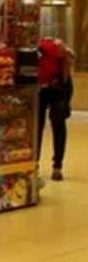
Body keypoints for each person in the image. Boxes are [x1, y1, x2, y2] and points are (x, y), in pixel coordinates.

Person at [37, 37, 73, 181]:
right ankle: (48, 165)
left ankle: (56, 165)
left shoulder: (56, 48)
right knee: (45, 126)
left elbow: (67, 67)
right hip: (47, 88)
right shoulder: (56, 49)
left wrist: (64, 93)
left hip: (58, 87)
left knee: (52, 125)